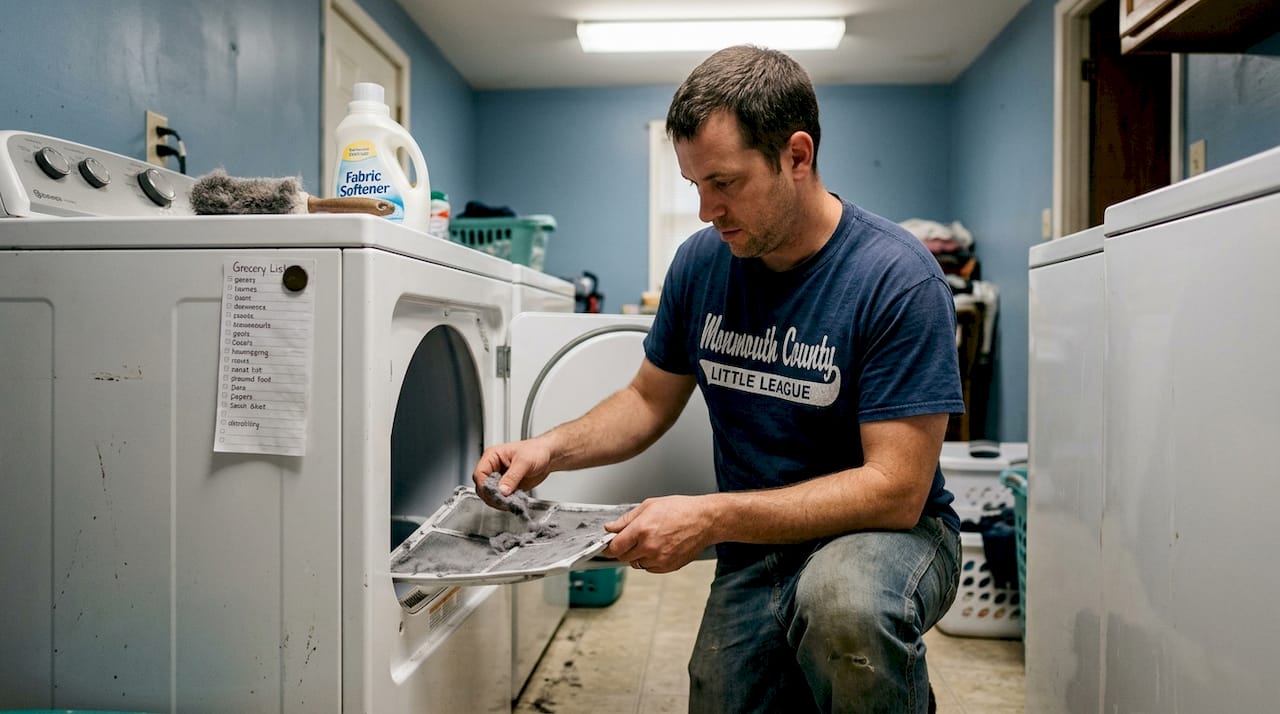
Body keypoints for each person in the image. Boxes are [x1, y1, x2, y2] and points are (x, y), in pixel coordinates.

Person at [473, 44, 965, 714]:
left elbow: (895, 491)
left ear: (797, 156)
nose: (707, 210)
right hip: (760, 543)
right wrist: (547, 450)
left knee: (844, 606)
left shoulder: (896, 278)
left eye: (724, 183)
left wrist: (709, 516)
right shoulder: (701, 264)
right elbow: (646, 399)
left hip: (890, 538)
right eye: (694, 186)